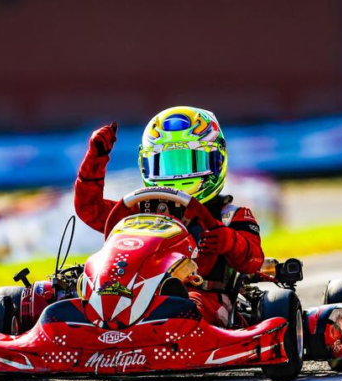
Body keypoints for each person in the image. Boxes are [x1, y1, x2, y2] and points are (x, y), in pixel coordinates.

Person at [74, 106, 264, 327]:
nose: (179, 175)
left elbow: (254, 260)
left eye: (191, 162)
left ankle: (164, 317)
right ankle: (105, 313)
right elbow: (90, 209)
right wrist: (95, 158)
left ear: (216, 161)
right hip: (135, 294)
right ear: (147, 164)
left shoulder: (228, 216)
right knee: (50, 297)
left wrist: (228, 241)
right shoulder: (139, 212)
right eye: (167, 164)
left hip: (203, 297)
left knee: (188, 307)